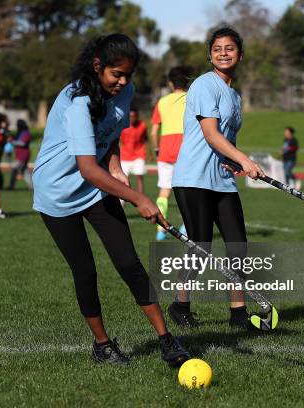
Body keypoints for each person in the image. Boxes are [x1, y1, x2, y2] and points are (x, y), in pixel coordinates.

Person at [32, 33, 190, 367]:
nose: (122, 82)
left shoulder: (126, 91)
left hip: (96, 187)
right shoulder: (78, 103)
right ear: (97, 66)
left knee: (129, 263)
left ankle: (166, 339)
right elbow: (87, 168)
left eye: (128, 75)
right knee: (85, 271)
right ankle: (102, 345)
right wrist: (137, 197)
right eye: (115, 74)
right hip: (58, 193)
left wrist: (116, 165)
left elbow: (111, 133)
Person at [171, 27, 265, 329]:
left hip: (221, 178)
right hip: (194, 176)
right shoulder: (203, 85)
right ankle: (179, 304)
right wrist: (245, 160)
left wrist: (235, 161)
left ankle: (239, 314)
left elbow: (226, 139)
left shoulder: (235, 95)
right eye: (217, 49)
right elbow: (210, 134)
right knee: (201, 247)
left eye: (230, 48)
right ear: (210, 54)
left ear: (240, 53)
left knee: (238, 246)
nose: (223, 53)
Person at [151, 66, 192, 240]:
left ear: (170, 83)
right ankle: (186, 228)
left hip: (165, 150)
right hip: (186, 150)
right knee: (189, 192)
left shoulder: (162, 101)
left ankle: (161, 230)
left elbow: (154, 131)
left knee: (164, 191)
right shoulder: (192, 99)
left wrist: (157, 148)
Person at [119, 106, 148, 194]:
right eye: (130, 116)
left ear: (137, 116)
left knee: (139, 176)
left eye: (134, 116)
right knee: (123, 179)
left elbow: (146, 139)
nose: (132, 118)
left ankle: (141, 201)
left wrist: (149, 152)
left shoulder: (142, 125)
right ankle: (122, 201)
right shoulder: (122, 126)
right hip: (124, 156)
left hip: (139, 154)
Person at [8, 119, 32, 190]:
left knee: (14, 168)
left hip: (23, 155)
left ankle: (11, 186)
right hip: (20, 155)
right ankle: (32, 187)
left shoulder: (25, 133)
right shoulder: (21, 133)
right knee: (25, 172)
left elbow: (23, 143)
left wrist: (12, 141)